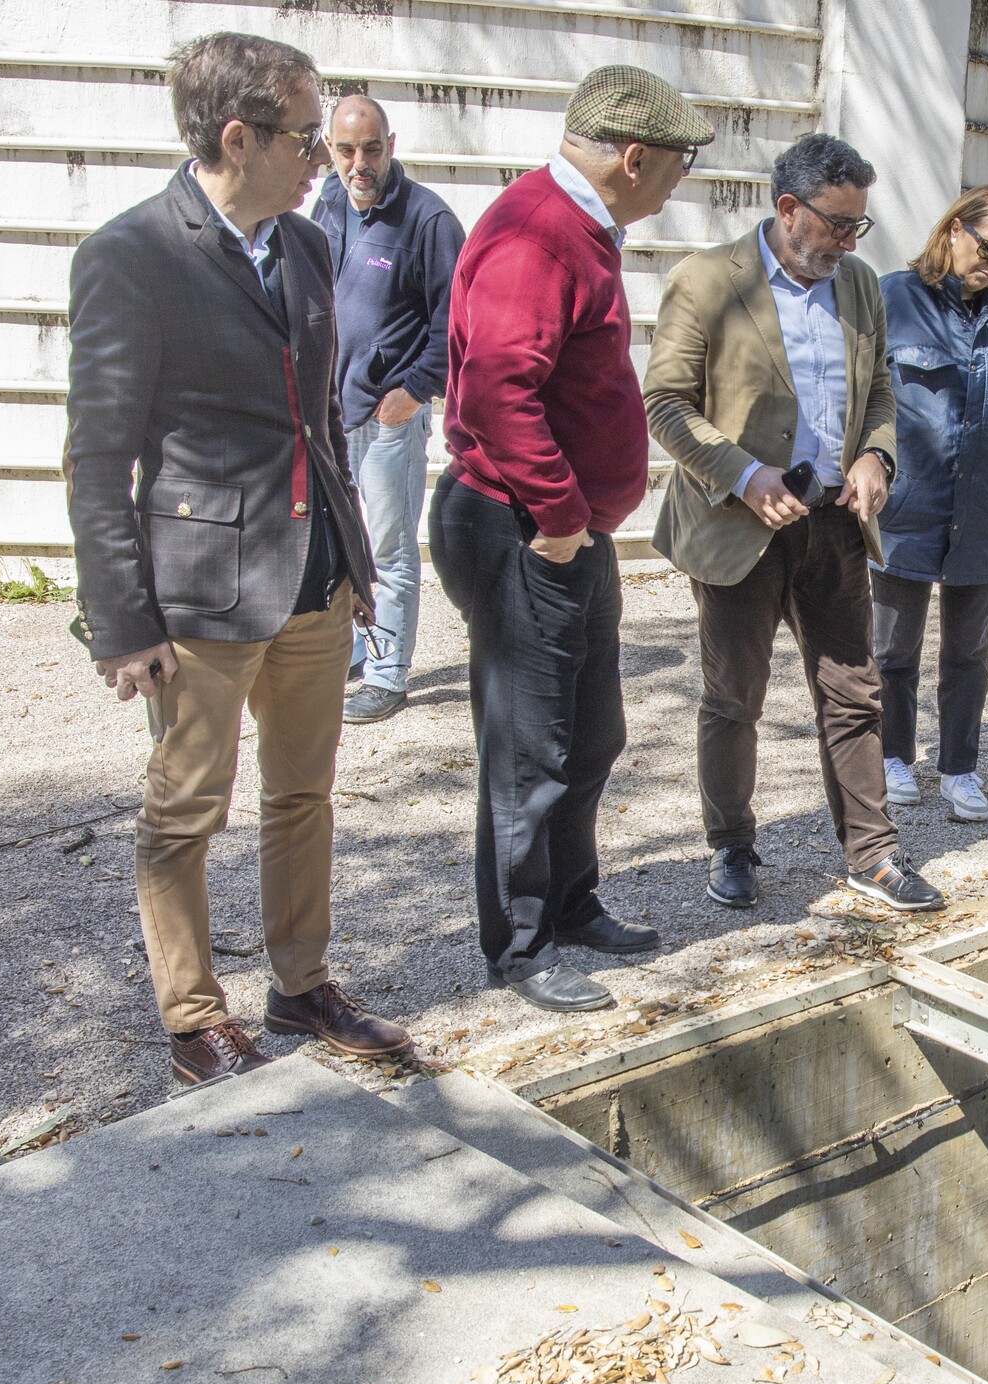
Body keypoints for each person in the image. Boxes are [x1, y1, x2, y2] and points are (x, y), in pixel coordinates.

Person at [65, 31, 409, 1086]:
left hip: (309, 582)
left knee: (303, 794)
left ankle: (300, 985)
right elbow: (96, 455)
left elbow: (322, 427)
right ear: (237, 136)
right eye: (307, 137)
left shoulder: (306, 246)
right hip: (202, 597)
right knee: (184, 810)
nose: (323, 159)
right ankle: (192, 1019)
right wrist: (123, 621)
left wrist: (353, 564)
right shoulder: (131, 256)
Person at [430, 66, 712, 1013]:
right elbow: (493, 391)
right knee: (529, 747)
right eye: (675, 166)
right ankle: (518, 943)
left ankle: (572, 901)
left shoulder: (580, 227)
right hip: (519, 526)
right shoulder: (538, 233)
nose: (677, 184)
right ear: (635, 158)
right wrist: (557, 514)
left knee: (591, 733)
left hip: (562, 530)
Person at [644, 133, 945, 915]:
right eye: (839, 225)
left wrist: (877, 456)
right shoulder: (707, 280)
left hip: (836, 524)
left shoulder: (861, 286)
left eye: (858, 229)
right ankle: (733, 848)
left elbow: (880, 392)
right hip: (739, 525)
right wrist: (744, 476)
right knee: (734, 698)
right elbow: (666, 405)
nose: (849, 243)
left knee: (855, 692)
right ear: (789, 210)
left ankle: (872, 855)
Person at [872, 186, 988, 825]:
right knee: (892, 645)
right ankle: (891, 756)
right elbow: (862, 396)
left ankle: (959, 767)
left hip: (982, 508)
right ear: (953, 231)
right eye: (987, 246)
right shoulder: (892, 297)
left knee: (969, 649)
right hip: (907, 502)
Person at [310, 94, 465, 725]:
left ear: (391, 145)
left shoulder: (427, 221)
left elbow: (456, 323)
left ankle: (388, 671)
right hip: (329, 411)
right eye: (346, 151)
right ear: (329, 148)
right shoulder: (324, 202)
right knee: (342, 541)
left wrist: (413, 390)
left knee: (391, 549)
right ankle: (352, 649)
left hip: (388, 415)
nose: (359, 164)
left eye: (371, 149)